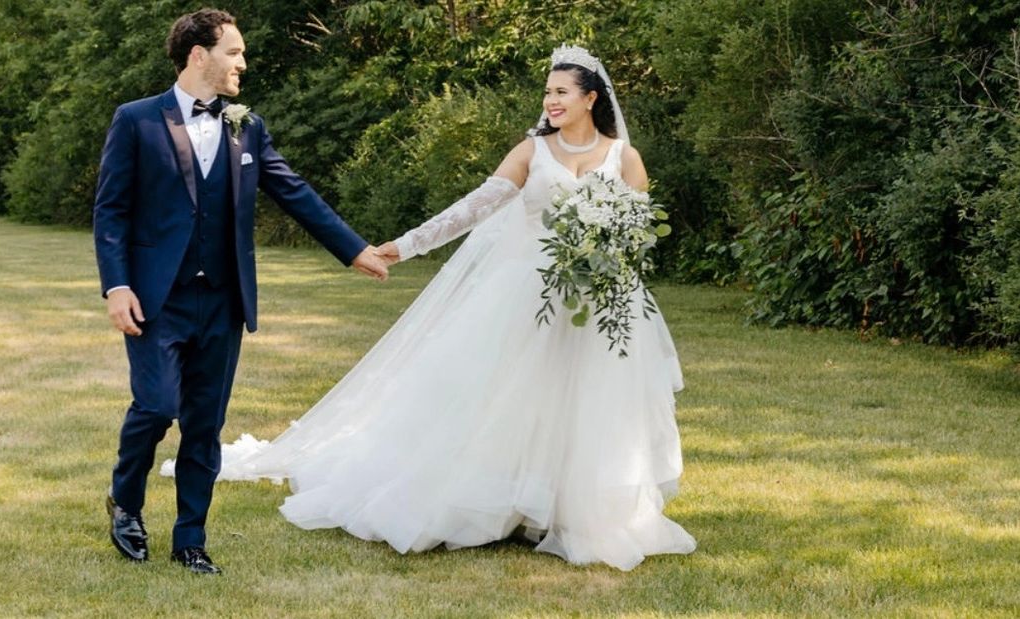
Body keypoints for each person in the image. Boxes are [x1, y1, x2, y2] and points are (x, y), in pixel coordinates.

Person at [179, 44, 697, 571]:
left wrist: (606, 257)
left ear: (590, 98)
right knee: (512, 400)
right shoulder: (532, 152)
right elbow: (471, 209)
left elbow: (639, 232)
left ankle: (575, 508)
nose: (550, 101)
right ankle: (508, 504)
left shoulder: (624, 158)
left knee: (590, 403)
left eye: (561, 92)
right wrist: (404, 246)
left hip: (600, 299)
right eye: (547, 91)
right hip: (529, 295)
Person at [93, 8, 390, 575]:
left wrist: (354, 249)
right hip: (157, 298)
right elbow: (111, 210)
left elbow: (293, 191)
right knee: (156, 407)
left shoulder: (244, 124)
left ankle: (190, 540)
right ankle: (125, 502)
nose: (243, 64)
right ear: (198, 55)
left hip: (224, 300)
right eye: (235, 52)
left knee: (204, 424)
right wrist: (117, 285)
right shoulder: (136, 120)